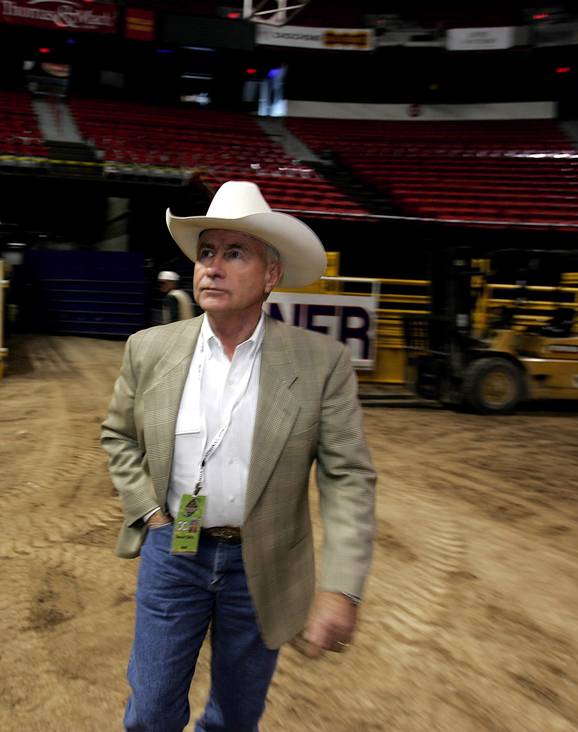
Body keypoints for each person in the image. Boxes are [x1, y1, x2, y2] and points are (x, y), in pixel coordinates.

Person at [101, 181, 377, 731]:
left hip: (263, 564)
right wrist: (152, 514)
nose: (212, 268)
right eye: (206, 253)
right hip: (172, 553)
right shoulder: (149, 350)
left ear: (271, 274)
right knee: (150, 711)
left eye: (234, 253)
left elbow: (348, 479)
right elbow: (119, 437)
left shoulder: (321, 363)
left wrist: (342, 586)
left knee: (235, 717)